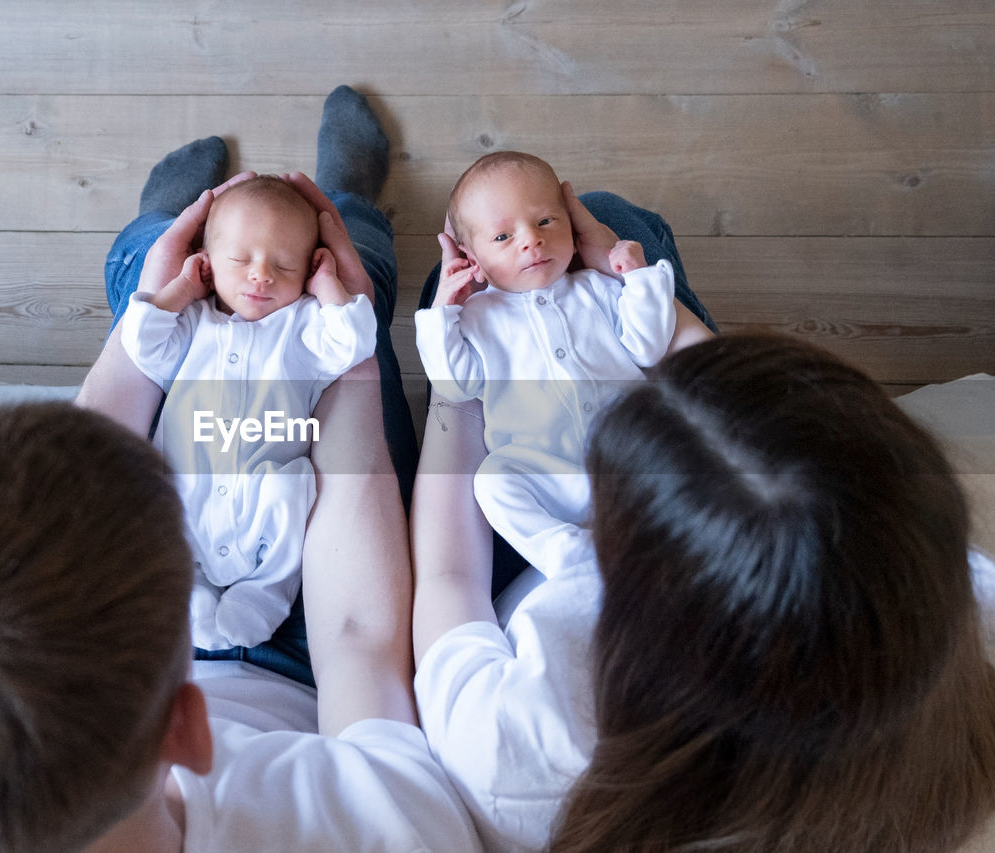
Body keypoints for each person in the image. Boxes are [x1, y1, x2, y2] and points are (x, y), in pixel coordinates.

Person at [0, 88, 482, 852]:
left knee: (156, 301)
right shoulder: (386, 825)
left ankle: (160, 225)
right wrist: (347, 351)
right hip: (302, 661)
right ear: (186, 726)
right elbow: (353, 634)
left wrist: (143, 326)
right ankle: (343, 214)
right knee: (352, 306)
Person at [413, 330, 995, 851]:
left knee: (555, 245)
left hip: (496, 585)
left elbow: (448, 578)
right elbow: (756, 465)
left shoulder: (518, 751)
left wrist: (451, 386)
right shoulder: (943, 593)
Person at [117, 174, 377, 650]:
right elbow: (141, 345)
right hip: (186, 488)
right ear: (208, 265)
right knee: (159, 517)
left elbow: (355, 343)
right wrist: (177, 290)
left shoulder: (303, 325)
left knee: (289, 496)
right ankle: (186, 590)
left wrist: (329, 289)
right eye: (241, 260)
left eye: (283, 264)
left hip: (265, 496)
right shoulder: (194, 321)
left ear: (308, 269)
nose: (262, 275)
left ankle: (264, 596)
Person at [415, 151, 677, 577]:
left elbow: (648, 348)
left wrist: (638, 279)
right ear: (471, 259)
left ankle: (672, 535)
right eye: (502, 237)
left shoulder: (596, 287)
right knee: (492, 480)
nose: (530, 241)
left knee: (688, 443)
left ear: (571, 226)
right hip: (547, 474)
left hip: (635, 456)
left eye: (545, 222)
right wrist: (441, 312)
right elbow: (454, 386)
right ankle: (569, 557)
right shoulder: (476, 317)